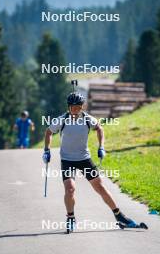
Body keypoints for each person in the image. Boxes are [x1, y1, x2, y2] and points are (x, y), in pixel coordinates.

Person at [42, 92, 139, 230]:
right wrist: (46, 150)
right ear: (68, 107)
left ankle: (120, 216)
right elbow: (48, 132)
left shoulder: (88, 119)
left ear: (82, 107)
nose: (75, 110)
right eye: (73, 107)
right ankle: (70, 218)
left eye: (78, 107)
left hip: (84, 159)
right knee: (70, 189)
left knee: (100, 187)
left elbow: (99, 128)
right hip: (67, 160)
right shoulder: (62, 119)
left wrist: (101, 147)